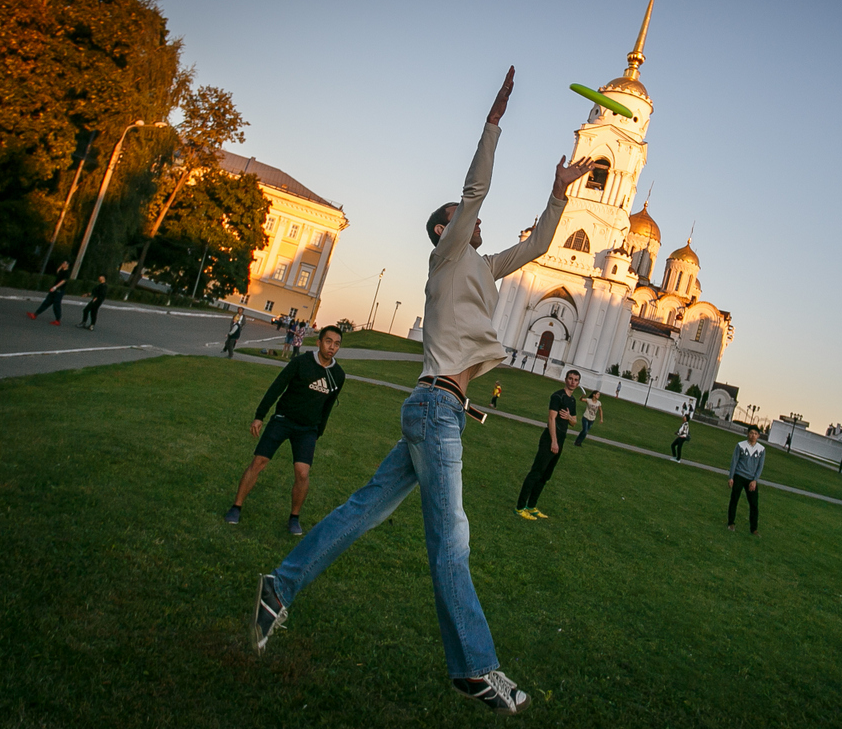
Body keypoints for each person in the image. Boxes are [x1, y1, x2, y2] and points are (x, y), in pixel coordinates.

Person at [248, 68, 593, 716]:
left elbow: (543, 244)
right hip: (438, 411)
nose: (473, 220)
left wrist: (557, 193)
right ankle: (474, 666)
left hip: (432, 410)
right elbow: (476, 188)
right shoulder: (447, 254)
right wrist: (494, 122)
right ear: (444, 230)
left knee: (360, 510)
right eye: (461, 219)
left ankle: (279, 585)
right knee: (451, 540)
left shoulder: (483, 268)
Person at [224, 325, 345, 534]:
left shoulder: (338, 375)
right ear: (319, 342)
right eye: (328, 341)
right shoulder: (300, 362)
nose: (331, 347)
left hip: (307, 429)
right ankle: (236, 507)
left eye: (336, 344)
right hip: (283, 420)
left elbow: (327, 407)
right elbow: (277, 387)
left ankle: (294, 518)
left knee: (302, 472)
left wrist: (318, 432)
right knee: (259, 461)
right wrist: (259, 416)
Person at [516, 370, 580, 518]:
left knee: (545, 476)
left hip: (561, 440)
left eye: (575, 380)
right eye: (570, 378)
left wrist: (569, 416)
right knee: (536, 472)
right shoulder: (557, 396)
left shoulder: (572, 401)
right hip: (550, 439)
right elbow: (551, 419)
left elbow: (574, 422)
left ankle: (531, 506)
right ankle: (520, 507)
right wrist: (554, 441)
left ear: (578, 383)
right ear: (565, 379)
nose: (572, 382)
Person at [727, 426, 766, 536]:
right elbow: (734, 461)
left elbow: (760, 466)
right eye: (751, 433)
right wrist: (731, 477)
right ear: (748, 434)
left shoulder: (761, 449)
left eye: (755, 433)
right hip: (739, 476)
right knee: (734, 500)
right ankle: (731, 523)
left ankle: (754, 529)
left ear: (758, 436)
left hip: (751, 480)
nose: (753, 435)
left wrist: (755, 480)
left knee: (754, 505)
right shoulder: (740, 445)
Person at [27, 261, 69, 325]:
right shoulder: (61, 271)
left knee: (56, 305)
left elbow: (63, 281)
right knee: (46, 302)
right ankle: (35, 314)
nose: (62, 264)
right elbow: (57, 272)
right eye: (62, 263)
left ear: (67, 265)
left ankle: (58, 320)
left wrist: (55, 287)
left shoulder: (67, 272)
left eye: (64, 263)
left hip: (59, 290)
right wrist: (60, 267)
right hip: (55, 290)